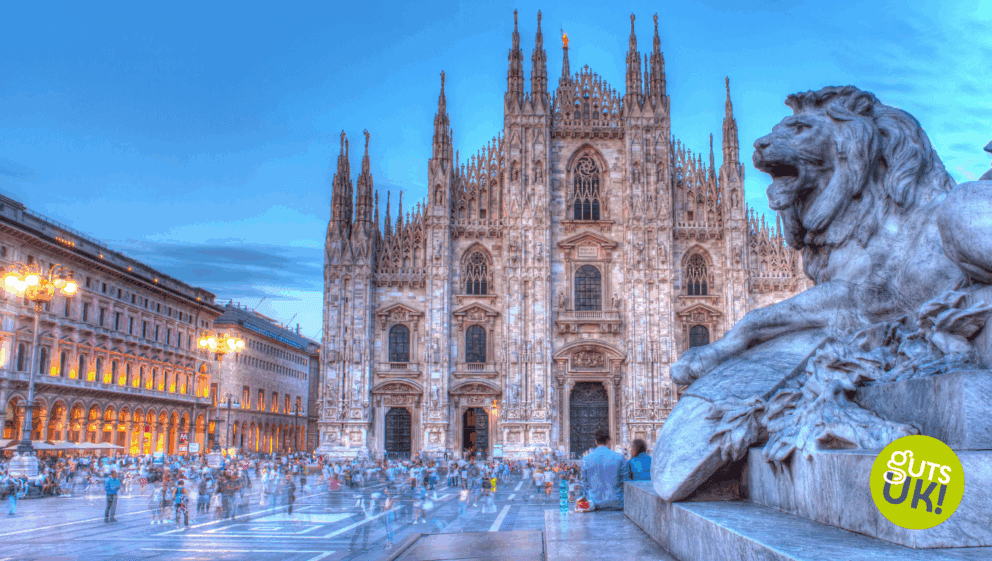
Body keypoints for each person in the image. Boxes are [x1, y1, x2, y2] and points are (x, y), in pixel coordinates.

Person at [580, 429, 630, 510]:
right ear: (609, 441)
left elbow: (584, 483)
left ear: (596, 442)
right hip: (617, 504)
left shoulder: (586, 459)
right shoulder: (620, 458)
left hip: (593, 504)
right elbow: (626, 481)